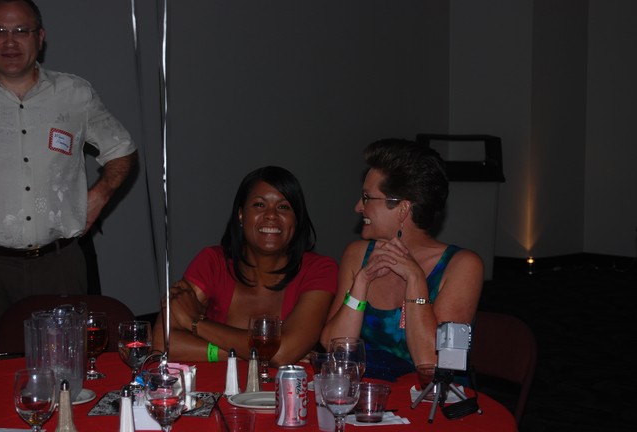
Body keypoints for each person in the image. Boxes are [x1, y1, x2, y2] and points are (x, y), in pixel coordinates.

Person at [0, 0, 137, 339]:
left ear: (40, 37)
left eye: (21, 31)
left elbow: (122, 149)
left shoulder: (74, 95)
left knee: (65, 360)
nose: (9, 42)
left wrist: (100, 195)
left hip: (59, 264)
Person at [320, 139, 483, 371]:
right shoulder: (357, 255)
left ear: (403, 208)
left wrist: (415, 280)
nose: (358, 207)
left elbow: (433, 364)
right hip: (367, 391)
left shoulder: (461, 265)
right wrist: (362, 283)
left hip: (432, 394)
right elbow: (332, 347)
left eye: (367, 197)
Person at [152, 166, 338, 364]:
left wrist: (196, 323)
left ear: (297, 219)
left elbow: (282, 352)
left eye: (283, 207)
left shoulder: (320, 269)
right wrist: (252, 354)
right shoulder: (213, 262)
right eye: (259, 205)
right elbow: (162, 344)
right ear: (241, 215)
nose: (271, 215)